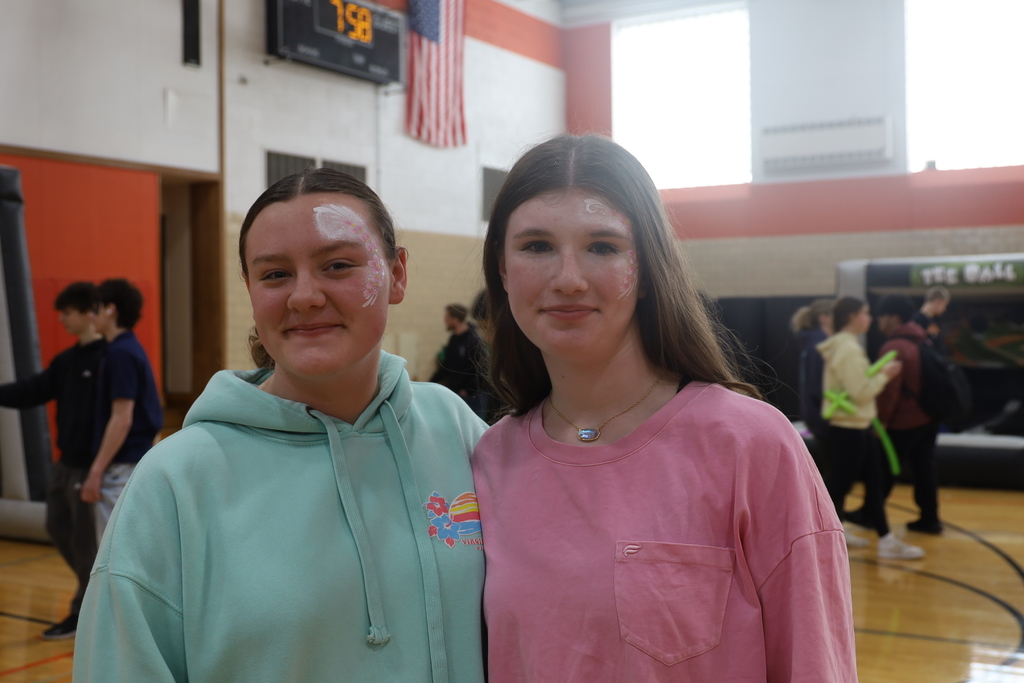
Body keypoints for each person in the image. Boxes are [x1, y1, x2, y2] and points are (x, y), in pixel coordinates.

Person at [73, 168, 488, 683]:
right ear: (249, 287)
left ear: (397, 273)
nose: (304, 296)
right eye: (274, 275)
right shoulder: (175, 483)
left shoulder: (456, 431)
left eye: (338, 265)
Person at [472, 134, 857, 681]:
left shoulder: (751, 444)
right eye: (536, 246)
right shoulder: (490, 459)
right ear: (504, 272)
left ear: (649, 270)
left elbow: (817, 665)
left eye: (602, 246)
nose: (568, 279)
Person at [0, 282, 105, 640]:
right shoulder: (67, 361)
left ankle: (85, 613)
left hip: (91, 467)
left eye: (67, 312)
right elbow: (33, 390)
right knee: (57, 528)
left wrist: (98, 468)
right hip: (64, 464)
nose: (61, 319)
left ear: (89, 313)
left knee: (86, 541)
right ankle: (92, 597)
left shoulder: (110, 358)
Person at [817, 297, 924, 559]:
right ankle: (821, 535)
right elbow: (860, 391)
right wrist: (884, 376)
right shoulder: (848, 350)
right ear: (853, 316)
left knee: (873, 483)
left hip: (856, 425)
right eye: (865, 313)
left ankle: (877, 537)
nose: (870, 318)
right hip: (850, 427)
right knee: (840, 485)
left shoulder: (846, 346)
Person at [81, 278, 163, 542]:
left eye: (96, 308)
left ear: (110, 310)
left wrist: (96, 470)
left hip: (122, 467)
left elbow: (122, 418)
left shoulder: (122, 354)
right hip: (131, 462)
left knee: (113, 550)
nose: (92, 316)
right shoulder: (124, 349)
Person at [875, 294, 944, 534]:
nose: (878, 322)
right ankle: (930, 518)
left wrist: (881, 422)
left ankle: (870, 514)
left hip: (903, 420)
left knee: (884, 469)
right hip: (929, 416)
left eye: (880, 317)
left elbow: (889, 391)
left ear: (892, 318)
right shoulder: (923, 340)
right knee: (924, 469)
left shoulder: (894, 346)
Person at [791, 297, 834, 481]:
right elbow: (818, 386)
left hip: (815, 412)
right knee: (833, 473)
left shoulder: (814, 342)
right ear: (824, 318)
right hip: (823, 415)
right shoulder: (819, 344)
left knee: (832, 470)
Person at [429, 303, 486, 416]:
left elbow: (480, 369)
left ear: (455, 319)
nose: (445, 321)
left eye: (447, 317)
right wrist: (429, 383)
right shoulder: (454, 339)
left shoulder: (473, 340)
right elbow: (446, 366)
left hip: (471, 395)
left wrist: (468, 390)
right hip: (456, 392)